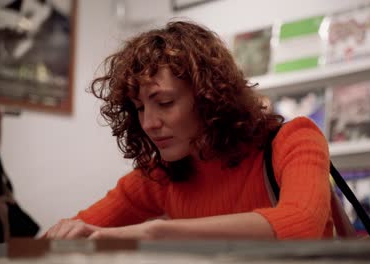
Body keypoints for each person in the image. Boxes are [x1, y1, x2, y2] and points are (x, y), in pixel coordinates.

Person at [45, 21, 332, 240]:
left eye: (165, 103)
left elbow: (301, 222)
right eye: (140, 108)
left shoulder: (294, 139)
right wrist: (65, 235)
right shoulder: (159, 175)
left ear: (210, 96)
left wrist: (159, 233)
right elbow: (70, 234)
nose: (148, 124)